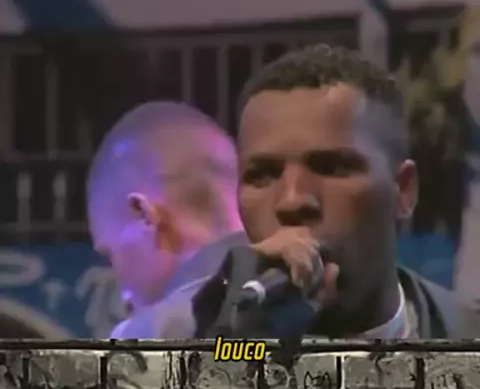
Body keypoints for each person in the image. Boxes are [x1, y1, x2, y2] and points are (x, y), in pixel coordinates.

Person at [147, 44, 480, 338]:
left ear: (403, 191)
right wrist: (244, 348)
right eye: (262, 176)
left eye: (331, 168)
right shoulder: (163, 340)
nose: (292, 200)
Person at [86, 101, 244, 338]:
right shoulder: (297, 294)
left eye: (112, 255)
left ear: (145, 216)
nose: (125, 296)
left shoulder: (146, 338)